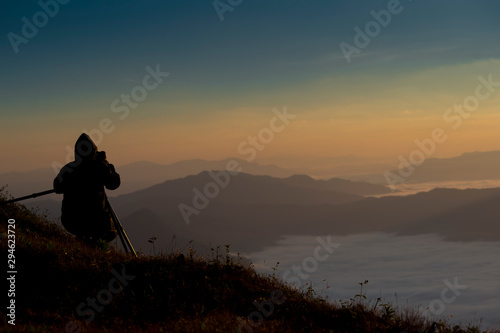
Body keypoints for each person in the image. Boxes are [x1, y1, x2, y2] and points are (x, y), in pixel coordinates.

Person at [54, 133, 121, 243]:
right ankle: (96, 246)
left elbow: (57, 188)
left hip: (71, 221)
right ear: (93, 151)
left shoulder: (68, 168)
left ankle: (83, 242)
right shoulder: (99, 167)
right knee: (113, 229)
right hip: (96, 222)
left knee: (83, 229)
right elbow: (114, 184)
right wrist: (106, 164)